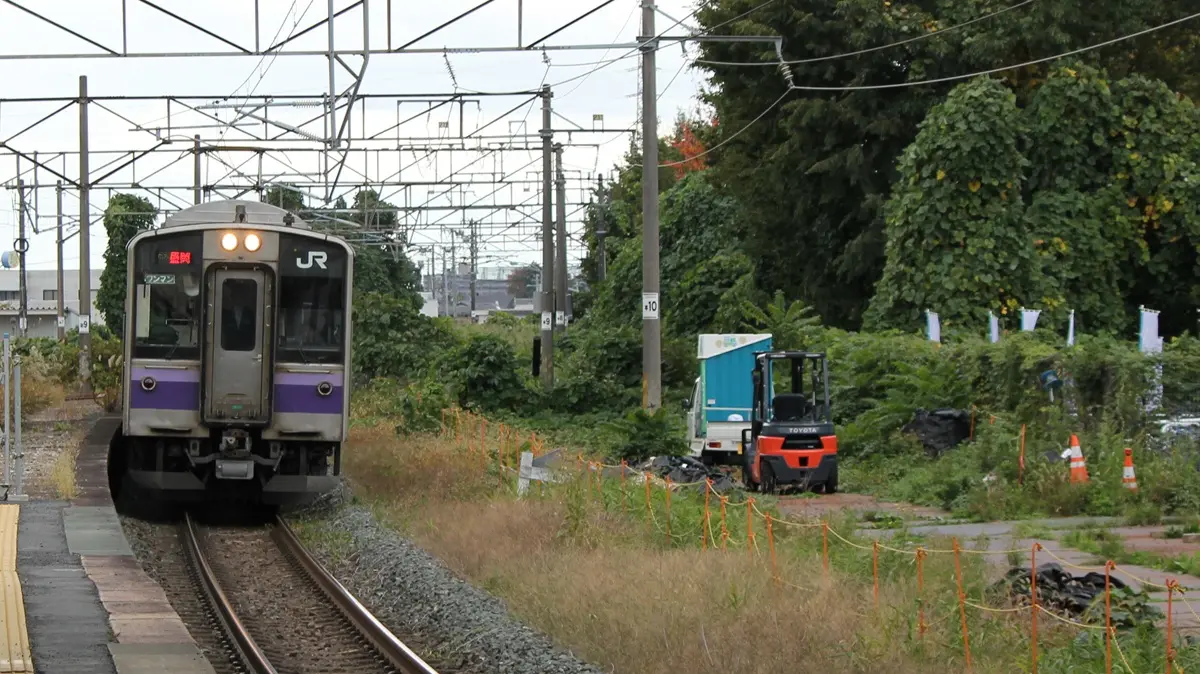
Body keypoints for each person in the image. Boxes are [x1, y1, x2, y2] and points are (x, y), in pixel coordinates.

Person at [221, 282, 257, 351]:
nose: (237, 298)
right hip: (228, 349)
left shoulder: (249, 313)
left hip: (247, 349)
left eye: (239, 295)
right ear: (232, 297)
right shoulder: (225, 314)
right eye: (235, 295)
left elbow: (253, 333)